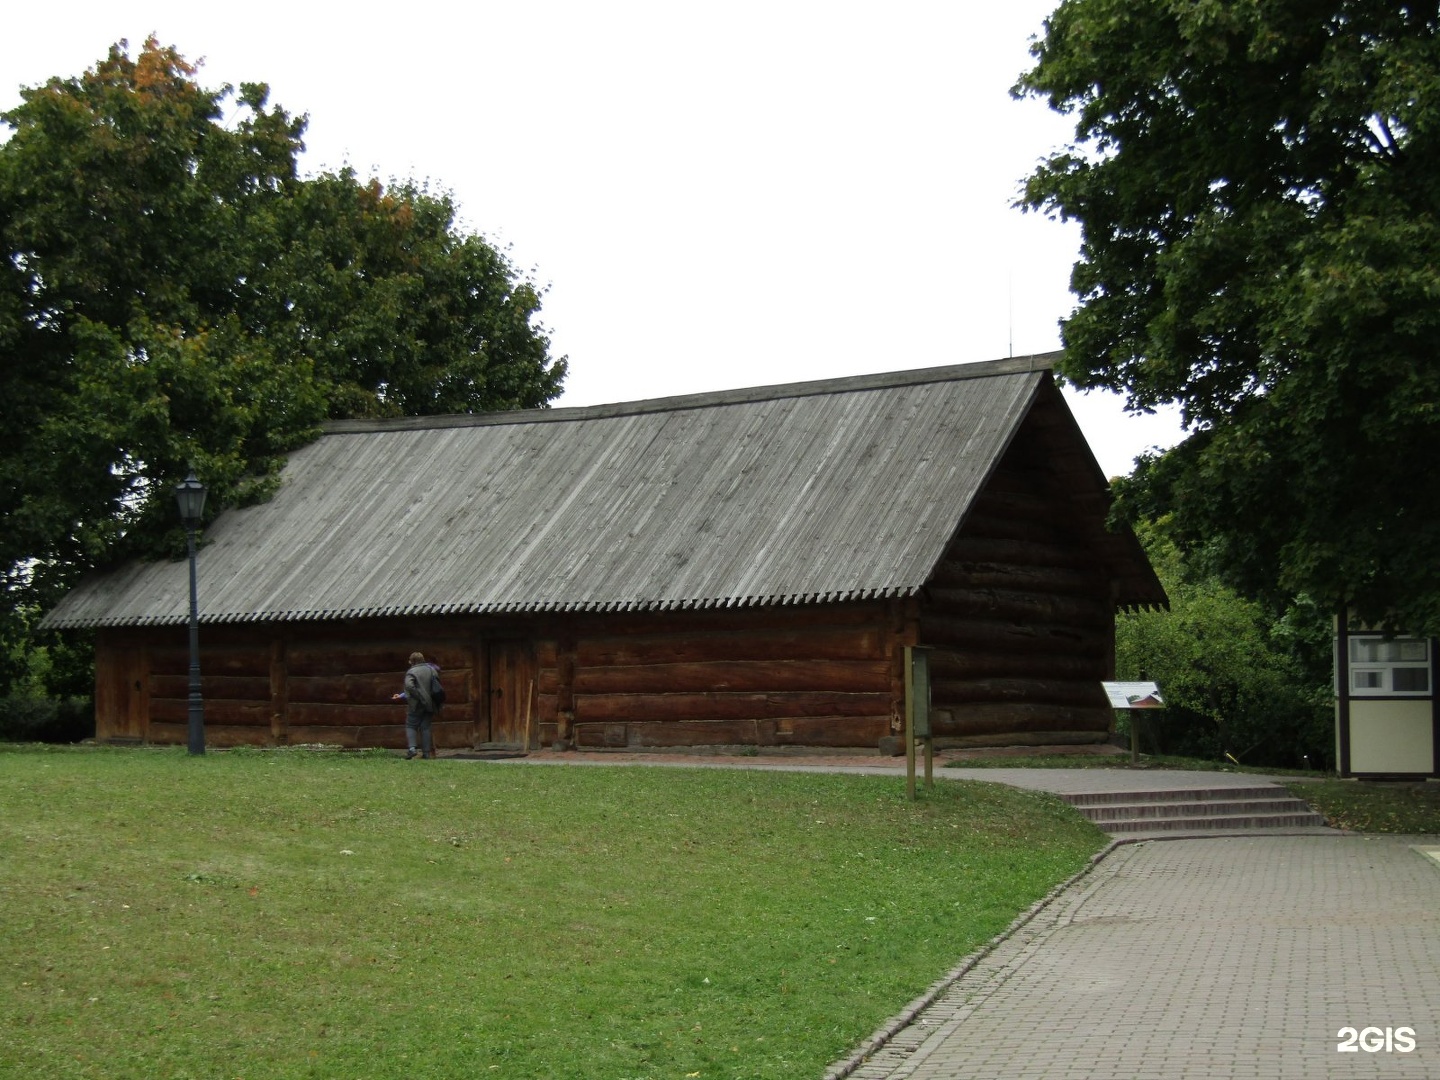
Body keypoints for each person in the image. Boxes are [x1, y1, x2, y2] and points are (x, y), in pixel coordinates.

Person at [391, 652, 444, 759]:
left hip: (416, 704)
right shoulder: (431, 670)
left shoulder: (411, 672)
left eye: (410, 661)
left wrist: (418, 696)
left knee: (411, 725)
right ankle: (426, 753)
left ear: (413, 661)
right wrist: (401, 695)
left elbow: (410, 686)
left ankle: (412, 749)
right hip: (430, 704)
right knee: (425, 727)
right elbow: (436, 687)